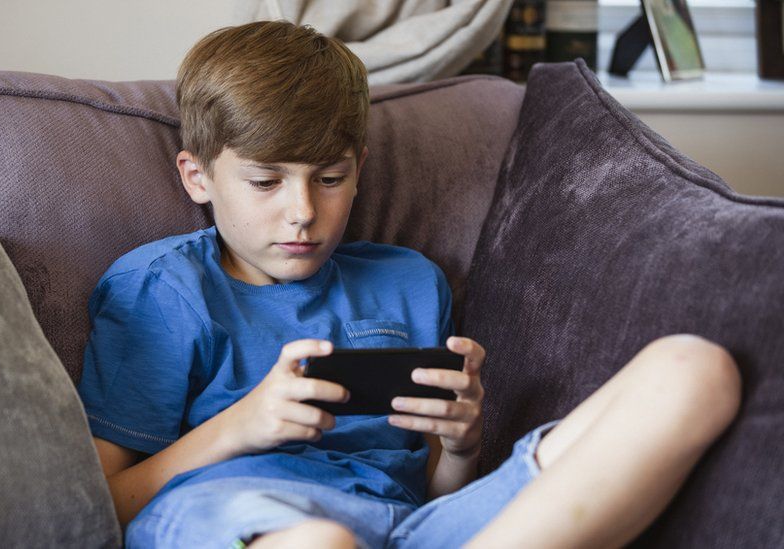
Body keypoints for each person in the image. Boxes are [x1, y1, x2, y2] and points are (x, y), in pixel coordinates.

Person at [77, 20, 741, 548]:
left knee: (695, 368)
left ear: (359, 169)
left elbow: (432, 493)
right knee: (321, 542)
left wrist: (461, 443)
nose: (303, 210)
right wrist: (240, 425)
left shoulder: (411, 282)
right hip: (236, 516)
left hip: (411, 527)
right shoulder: (162, 290)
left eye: (329, 177)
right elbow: (101, 504)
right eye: (266, 181)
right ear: (198, 178)